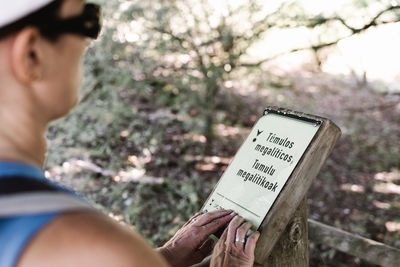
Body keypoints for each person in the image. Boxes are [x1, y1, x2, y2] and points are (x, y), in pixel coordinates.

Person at [0, 1, 260, 266]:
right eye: (87, 21)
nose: (88, 43)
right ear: (31, 53)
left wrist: (166, 257)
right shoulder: (87, 245)